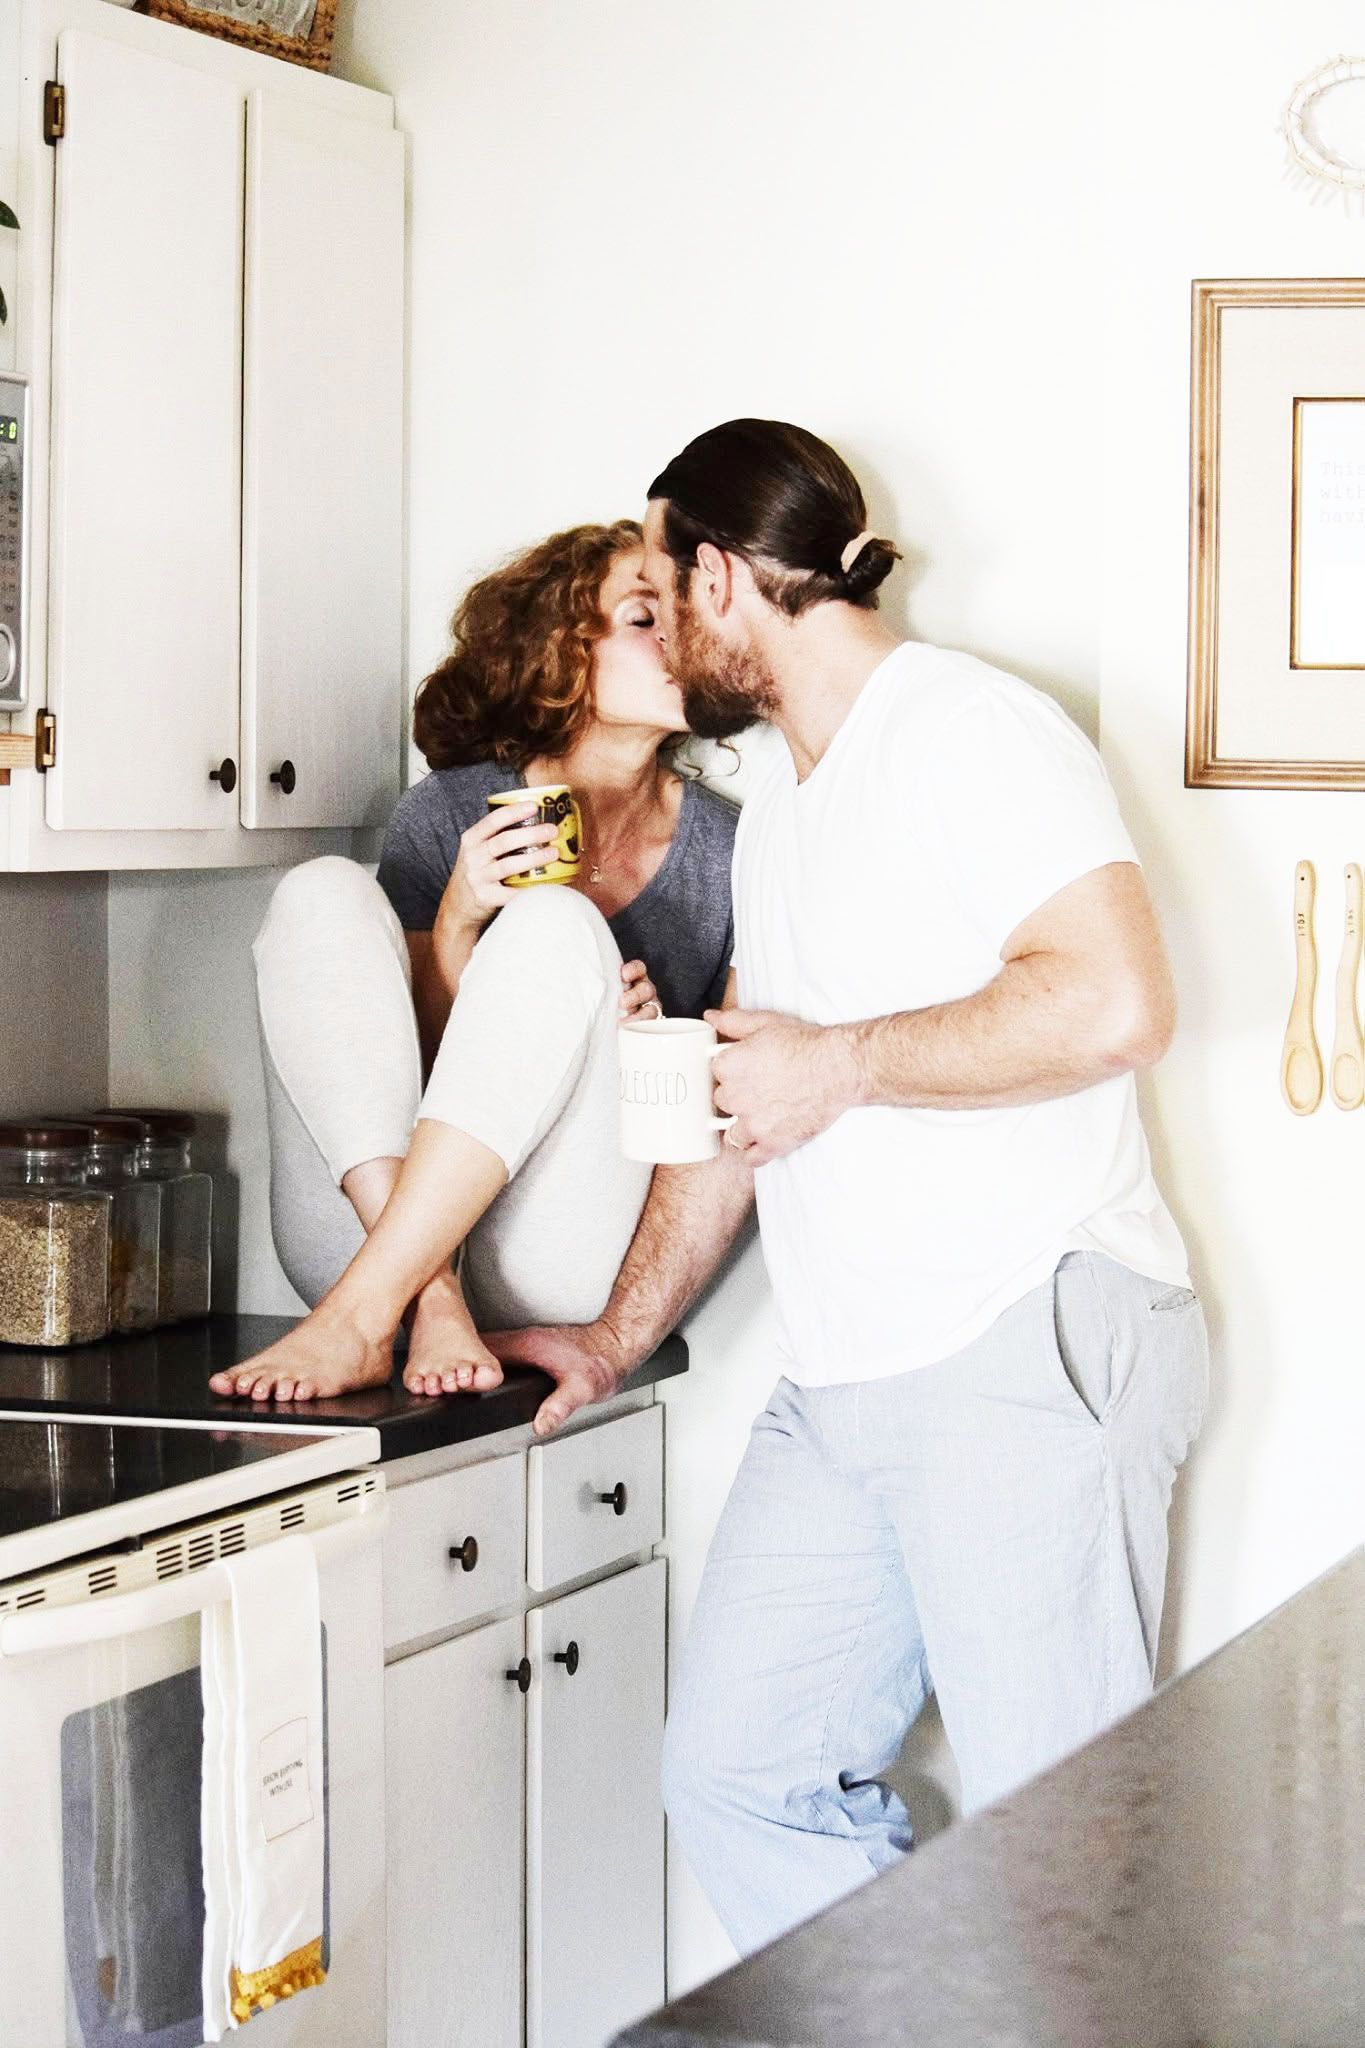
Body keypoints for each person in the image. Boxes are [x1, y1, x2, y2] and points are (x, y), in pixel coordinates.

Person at [482, 420, 1210, 1956]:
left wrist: (847, 1065)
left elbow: (1113, 1005)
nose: (655, 627)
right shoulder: (789, 811)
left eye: (659, 590)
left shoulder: (966, 731)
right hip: (851, 1381)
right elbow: (762, 1100)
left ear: (725, 577)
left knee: (1063, 1848)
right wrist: (614, 1339)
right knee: (737, 1778)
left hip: (1023, 1343)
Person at [209, 520, 737, 1404]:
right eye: (645, 617)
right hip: (367, 1231)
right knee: (320, 891)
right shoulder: (448, 811)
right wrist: (456, 920)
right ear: (563, 651)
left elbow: (715, 1125)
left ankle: (376, 1311)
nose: (679, 638)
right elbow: (392, 1070)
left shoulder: (725, 848)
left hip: (559, 1253)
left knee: (559, 925)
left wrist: (640, 1049)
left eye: (685, 615)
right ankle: (420, 1295)